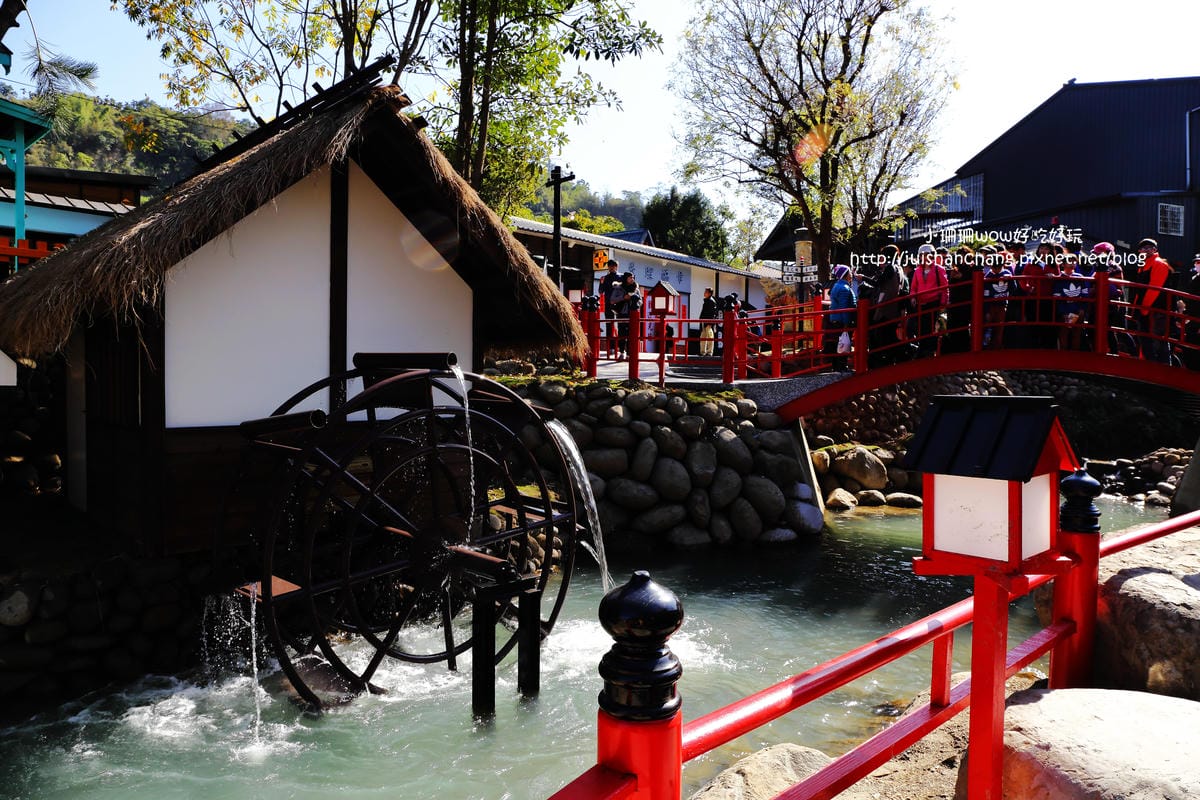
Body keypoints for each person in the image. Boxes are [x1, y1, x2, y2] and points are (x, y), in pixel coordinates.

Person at [858, 245, 908, 364]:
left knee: (884, 335)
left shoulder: (890, 268)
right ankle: (897, 357)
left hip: (886, 306)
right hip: (893, 306)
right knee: (889, 334)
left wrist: (863, 278)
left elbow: (878, 283)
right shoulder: (899, 268)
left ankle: (895, 357)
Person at [1131, 238, 1173, 363]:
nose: (1146, 249)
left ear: (1155, 249)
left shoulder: (1158, 263)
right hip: (1147, 308)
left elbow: (1154, 288)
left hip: (1156, 309)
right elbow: (1140, 290)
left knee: (1158, 340)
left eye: (1150, 247)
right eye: (1143, 248)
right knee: (1145, 338)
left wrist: (1144, 309)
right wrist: (1136, 308)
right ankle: (1149, 363)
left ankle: (1162, 368)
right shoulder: (1143, 265)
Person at [909, 243, 948, 356]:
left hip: (935, 303)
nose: (926, 257)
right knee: (922, 329)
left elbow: (945, 288)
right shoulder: (917, 271)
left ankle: (931, 352)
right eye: (923, 255)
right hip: (921, 304)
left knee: (933, 329)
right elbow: (913, 288)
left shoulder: (939, 269)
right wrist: (913, 297)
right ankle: (923, 351)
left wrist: (943, 304)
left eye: (928, 254)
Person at [1052, 255, 1090, 351]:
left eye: (1074, 262)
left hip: (1078, 310)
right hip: (1064, 312)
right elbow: (1057, 297)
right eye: (1070, 262)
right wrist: (1063, 312)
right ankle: (1063, 358)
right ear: (1063, 264)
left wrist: (1082, 309)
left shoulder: (1080, 277)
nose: (1072, 264)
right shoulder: (1059, 278)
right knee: (1063, 333)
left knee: (1076, 334)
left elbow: (1085, 293)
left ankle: (1075, 358)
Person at [823, 264, 857, 370]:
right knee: (844, 342)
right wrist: (847, 324)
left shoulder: (837, 286)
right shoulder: (844, 288)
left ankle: (837, 366)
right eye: (850, 273)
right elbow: (845, 308)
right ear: (845, 275)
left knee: (837, 343)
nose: (851, 275)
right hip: (842, 321)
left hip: (835, 319)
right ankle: (842, 366)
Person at [981, 249, 1015, 349]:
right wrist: (986, 310)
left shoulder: (1007, 273)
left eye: (998, 267)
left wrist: (1011, 280)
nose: (996, 269)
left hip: (1002, 305)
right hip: (991, 305)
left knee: (1000, 326)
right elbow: (985, 295)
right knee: (987, 326)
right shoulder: (988, 277)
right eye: (994, 267)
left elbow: (1014, 289)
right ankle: (986, 345)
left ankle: (997, 345)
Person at [614, 272, 642, 361]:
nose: (632, 279)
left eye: (633, 277)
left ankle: (629, 354)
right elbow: (612, 299)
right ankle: (621, 352)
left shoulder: (636, 289)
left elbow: (641, 301)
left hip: (632, 314)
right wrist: (623, 298)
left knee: (631, 335)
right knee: (622, 334)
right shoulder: (619, 288)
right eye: (630, 277)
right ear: (625, 278)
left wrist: (634, 301)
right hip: (622, 313)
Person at [598, 259, 623, 358]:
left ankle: (621, 349)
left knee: (621, 325)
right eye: (610, 266)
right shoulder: (605, 278)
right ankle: (611, 347)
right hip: (608, 303)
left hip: (619, 303)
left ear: (617, 267)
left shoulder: (621, 277)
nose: (612, 267)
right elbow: (600, 291)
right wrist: (601, 283)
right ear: (608, 267)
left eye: (613, 266)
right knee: (609, 325)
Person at [1180, 254, 1200, 369]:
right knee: (1189, 345)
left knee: (1194, 346)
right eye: (1196, 262)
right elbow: (1190, 300)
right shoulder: (1194, 278)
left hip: (1197, 318)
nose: (1197, 265)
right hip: (1193, 317)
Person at [698, 287, 719, 357]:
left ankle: (709, 352)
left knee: (709, 337)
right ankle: (703, 352)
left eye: (706, 292)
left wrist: (710, 322)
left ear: (709, 293)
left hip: (708, 322)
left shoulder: (711, 301)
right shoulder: (708, 300)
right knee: (703, 336)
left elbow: (713, 313)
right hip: (705, 321)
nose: (704, 293)